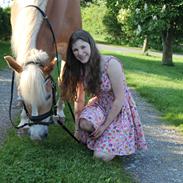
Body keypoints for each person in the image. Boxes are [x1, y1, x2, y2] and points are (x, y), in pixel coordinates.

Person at [60, 29, 147, 161]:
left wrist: (104, 126)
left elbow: (119, 99)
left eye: (83, 47)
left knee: (101, 156)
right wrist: (77, 128)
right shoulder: (82, 68)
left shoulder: (110, 64)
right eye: (75, 50)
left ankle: (111, 137)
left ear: (91, 45)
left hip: (118, 110)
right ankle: (102, 137)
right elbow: (80, 99)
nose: (80, 53)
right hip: (100, 106)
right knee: (84, 124)